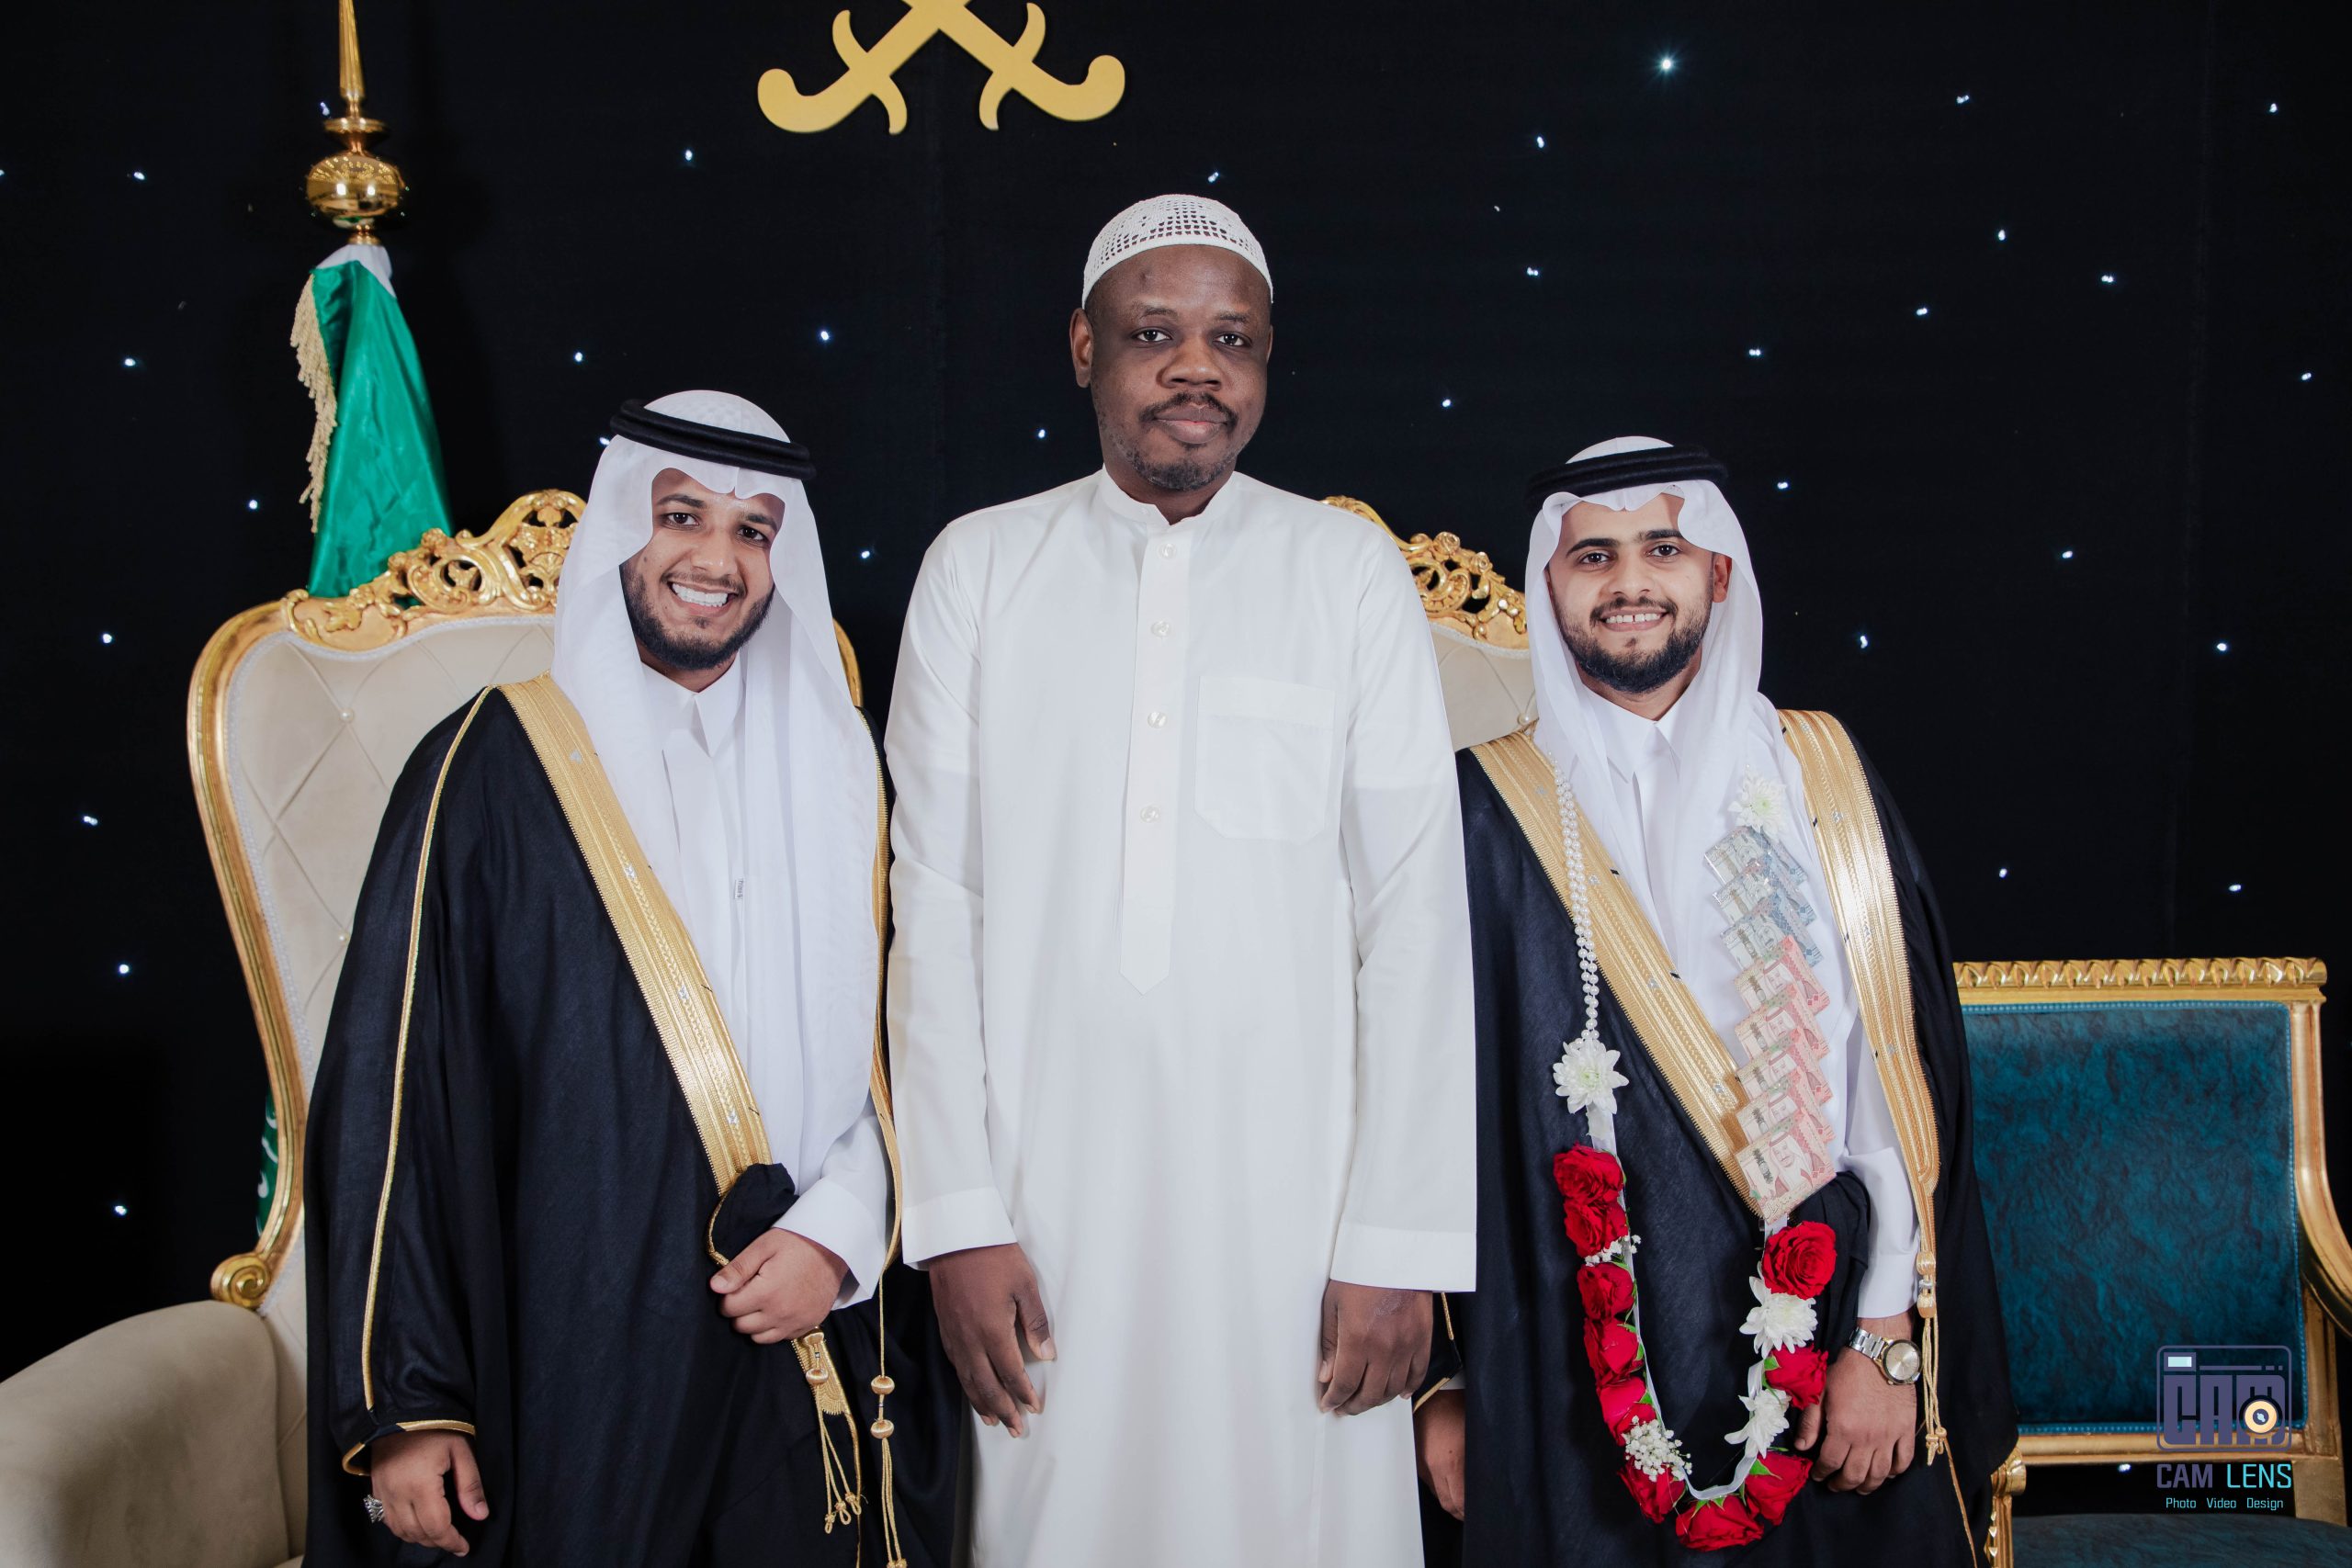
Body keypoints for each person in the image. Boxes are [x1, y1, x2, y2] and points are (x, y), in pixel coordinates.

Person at [884, 194, 1476, 1566]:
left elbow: (1415, 914)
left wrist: (1398, 1241)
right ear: (1083, 347)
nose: (1197, 368)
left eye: (1234, 340)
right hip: (1042, 1195)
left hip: (1300, 1207)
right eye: (1155, 334)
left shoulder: (1345, 570)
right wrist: (957, 1220)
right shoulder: (980, 567)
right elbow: (936, 901)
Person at [306, 391, 946, 1565]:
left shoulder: (852, 768)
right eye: (680, 515)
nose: (716, 559)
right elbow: (392, 1098)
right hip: (575, 1346)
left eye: (753, 530)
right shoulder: (485, 765)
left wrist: (845, 1234)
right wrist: (408, 1401)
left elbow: (916, 1042)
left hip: (803, 1323)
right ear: (618, 530)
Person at [1415, 437, 2013, 1564]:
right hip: (1561, 1348)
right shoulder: (1481, 804)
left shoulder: (1818, 772)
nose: (1629, 582)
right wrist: (1447, 1376)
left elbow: (1888, 1072)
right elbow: (1424, 1099)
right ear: (1550, 583)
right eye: (1593, 555)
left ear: (1718, 573)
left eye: (1663, 548)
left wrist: (1885, 1335)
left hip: (1822, 1334)